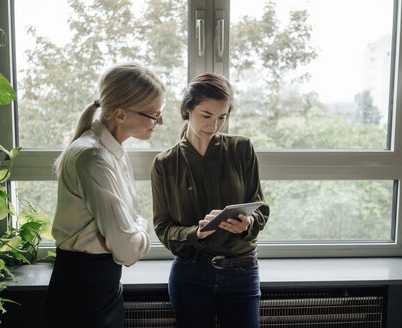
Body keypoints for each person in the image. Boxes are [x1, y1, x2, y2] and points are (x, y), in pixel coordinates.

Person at [45, 63, 165, 328]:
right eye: (154, 115)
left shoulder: (112, 150)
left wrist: (136, 227)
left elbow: (129, 227)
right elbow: (126, 250)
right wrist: (140, 230)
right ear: (121, 115)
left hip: (102, 285)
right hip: (83, 293)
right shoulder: (95, 157)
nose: (160, 122)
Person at [151, 73, 269, 327]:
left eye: (222, 117)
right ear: (187, 109)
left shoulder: (242, 149)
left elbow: (261, 208)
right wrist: (197, 233)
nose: (214, 125)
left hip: (242, 271)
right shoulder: (165, 164)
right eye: (206, 115)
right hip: (191, 273)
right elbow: (163, 228)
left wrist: (248, 223)